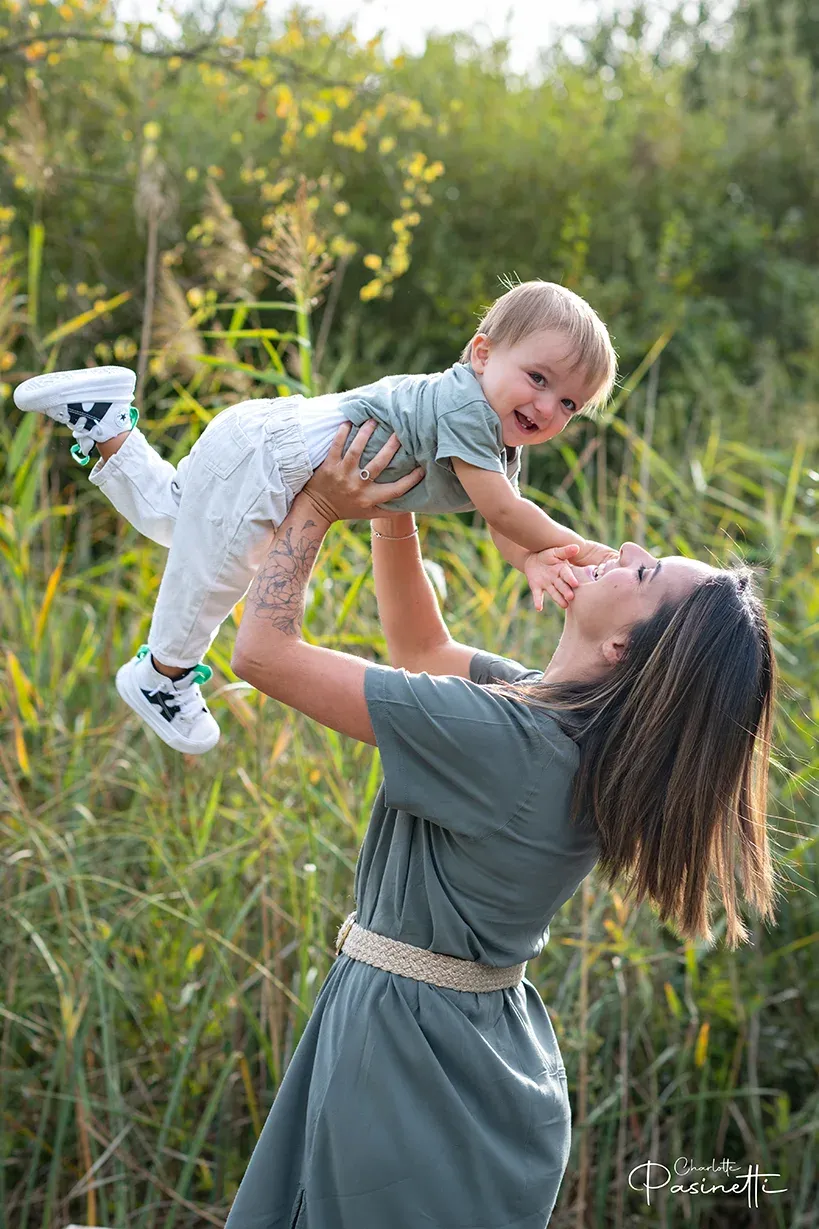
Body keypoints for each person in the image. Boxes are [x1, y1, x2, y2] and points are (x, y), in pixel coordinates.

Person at [219, 420, 778, 1229]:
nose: (622, 547)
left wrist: (320, 505)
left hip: (409, 1057)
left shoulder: (509, 741)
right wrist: (394, 507)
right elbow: (421, 649)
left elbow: (262, 654)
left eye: (644, 568)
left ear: (622, 645)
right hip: (468, 1046)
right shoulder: (564, 724)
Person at [13, 280, 618, 754]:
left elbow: (504, 525)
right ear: (483, 354)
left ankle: (102, 419)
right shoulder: (468, 409)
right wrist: (587, 550)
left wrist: (534, 560)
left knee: (175, 519)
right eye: (538, 379)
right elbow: (503, 508)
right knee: (216, 577)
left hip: (264, 436)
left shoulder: (496, 440)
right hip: (275, 464)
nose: (547, 407)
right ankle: (163, 675)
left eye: (568, 403)